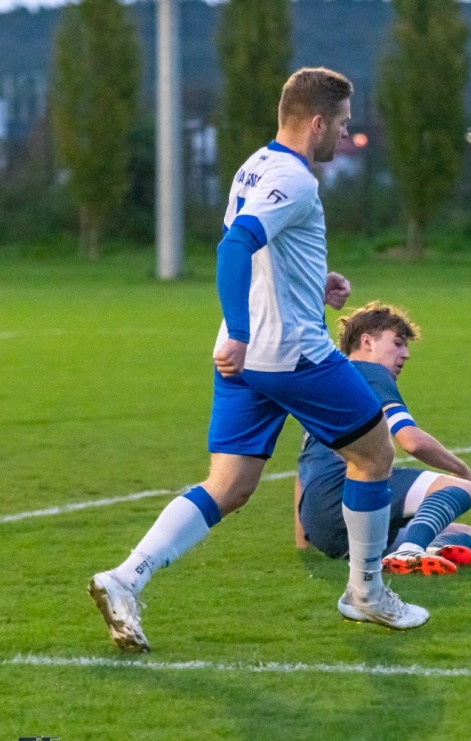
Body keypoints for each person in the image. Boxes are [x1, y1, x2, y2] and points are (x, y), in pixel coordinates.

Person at [88, 68, 427, 654]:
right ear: (316, 122)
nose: (345, 136)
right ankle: (366, 591)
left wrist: (311, 282)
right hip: (289, 353)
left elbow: (265, 254)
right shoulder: (295, 180)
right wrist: (245, 332)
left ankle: (125, 579)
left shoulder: (253, 166)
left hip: (244, 359)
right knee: (374, 455)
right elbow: (236, 246)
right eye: (343, 124)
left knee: (229, 484)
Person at [295, 301, 471, 575]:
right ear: (367, 342)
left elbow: (305, 467)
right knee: (460, 488)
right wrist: (464, 471)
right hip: (347, 496)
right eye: (398, 343)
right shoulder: (369, 372)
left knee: (466, 534)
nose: (406, 354)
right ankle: (411, 550)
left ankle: (427, 553)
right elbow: (412, 441)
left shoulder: (329, 380)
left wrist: (303, 542)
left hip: (322, 527)